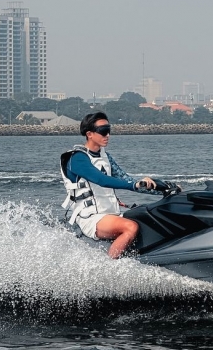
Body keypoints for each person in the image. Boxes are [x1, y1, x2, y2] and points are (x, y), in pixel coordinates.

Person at [60, 111, 158, 258]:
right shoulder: (77, 158)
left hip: (111, 213)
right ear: (89, 134)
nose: (108, 135)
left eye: (109, 130)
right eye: (103, 131)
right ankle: (110, 267)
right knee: (130, 227)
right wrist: (135, 185)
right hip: (91, 218)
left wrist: (162, 188)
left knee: (147, 219)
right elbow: (102, 180)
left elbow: (126, 178)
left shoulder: (105, 156)